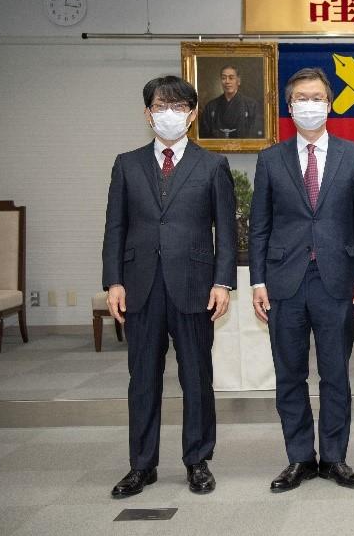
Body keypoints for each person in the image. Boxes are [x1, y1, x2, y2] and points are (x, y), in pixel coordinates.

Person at [102, 75, 236, 497]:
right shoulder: (127, 164)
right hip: (140, 286)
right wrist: (113, 280)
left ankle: (198, 460)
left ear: (192, 115)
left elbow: (226, 230)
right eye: (161, 106)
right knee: (142, 378)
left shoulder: (212, 165)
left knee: (196, 376)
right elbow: (115, 226)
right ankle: (142, 465)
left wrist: (223, 282)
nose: (169, 114)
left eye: (178, 107)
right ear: (147, 114)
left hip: (195, 285)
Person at [249, 67, 354, 492]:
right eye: (301, 99)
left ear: (330, 103)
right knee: (289, 375)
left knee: (336, 374)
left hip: (336, 280)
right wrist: (257, 281)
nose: (310, 105)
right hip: (283, 282)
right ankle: (300, 458)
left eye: (317, 98)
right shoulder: (270, 159)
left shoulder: (353, 155)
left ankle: (335, 458)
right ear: (289, 107)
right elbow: (259, 226)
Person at [199, 64, 264, 139]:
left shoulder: (251, 105)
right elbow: (204, 135)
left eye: (231, 78)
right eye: (224, 78)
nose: (227, 81)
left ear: (238, 81)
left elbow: (255, 134)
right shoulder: (211, 106)